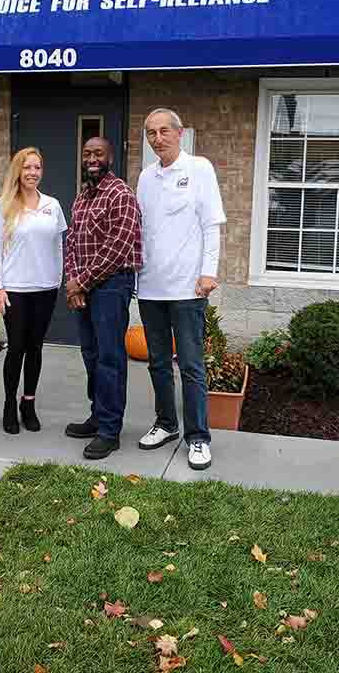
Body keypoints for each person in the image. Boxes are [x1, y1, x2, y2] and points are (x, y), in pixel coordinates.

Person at [136, 107, 226, 470]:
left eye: (163, 131)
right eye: (151, 133)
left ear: (179, 133)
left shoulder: (199, 169)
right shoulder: (144, 178)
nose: (158, 138)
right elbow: (141, 232)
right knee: (157, 363)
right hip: (151, 288)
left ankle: (199, 437)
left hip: (189, 289)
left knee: (190, 365)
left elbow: (211, 226)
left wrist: (209, 273)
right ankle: (166, 424)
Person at [64, 136, 142, 460]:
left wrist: (80, 281)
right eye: (87, 154)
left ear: (110, 158)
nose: (92, 158)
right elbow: (71, 243)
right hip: (85, 286)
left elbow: (117, 248)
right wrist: (73, 281)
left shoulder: (120, 194)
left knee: (110, 357)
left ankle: (110, 430)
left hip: (111, 286)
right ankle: (98, 415)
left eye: (98, 153)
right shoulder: (82, 198)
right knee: (91, 354)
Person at [0, 147, 67, 434]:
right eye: (27, 167)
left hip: (44, 289)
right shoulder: (2, 206)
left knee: (35, 348)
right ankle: (9, 403)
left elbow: (58, 247)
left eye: (37, 167)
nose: (33, 172)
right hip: (15, 290)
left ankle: (28, 403)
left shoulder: (52, 205)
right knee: (17, 347)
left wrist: (57, 282)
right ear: (17, 171)